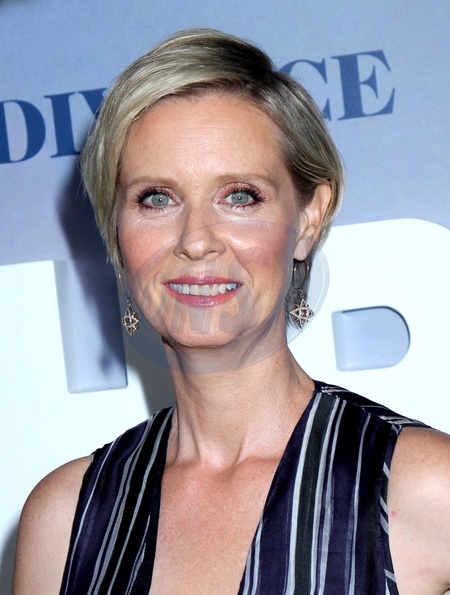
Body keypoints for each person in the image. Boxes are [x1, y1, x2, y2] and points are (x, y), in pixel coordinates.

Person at [13, 29, 450, 594]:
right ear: (115, 230)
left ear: (309, 219)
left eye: (240, 196)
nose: (196, 240)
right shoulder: (65, 519)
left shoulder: (424, 489)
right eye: (156, 198)